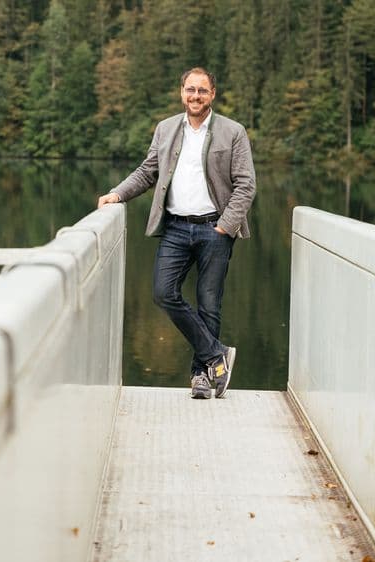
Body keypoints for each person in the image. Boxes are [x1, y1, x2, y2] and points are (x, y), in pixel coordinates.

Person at [97, 67, 257, 399]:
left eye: (202, 90)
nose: (195, 96)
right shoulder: (166, 128)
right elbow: (148, 172)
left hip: (215, 228)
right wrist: (118, 193)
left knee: (209, 304)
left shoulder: (233, 132)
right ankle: (217, 354)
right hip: (175, 228)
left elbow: (246, 185)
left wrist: (225, 226)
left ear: (212, 94)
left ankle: (201, 376)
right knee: (163, 292)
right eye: (190, 89)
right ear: (181, 92)